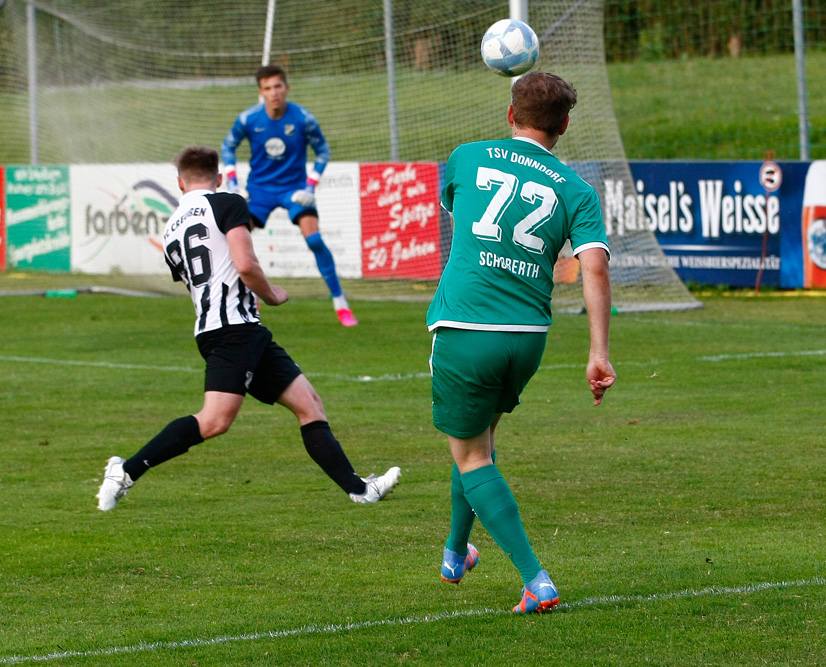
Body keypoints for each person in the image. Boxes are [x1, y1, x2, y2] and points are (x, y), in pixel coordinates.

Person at [96, 146, 400, 512]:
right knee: (214, 421)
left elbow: (193, 280)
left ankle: (360, 489)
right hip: (233, 331)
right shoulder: (228, 202)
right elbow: (244, 263)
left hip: (230, 328)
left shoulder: (172, 226)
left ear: (180, 182)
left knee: (309, 404)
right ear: (220, 177)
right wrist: (272, 294)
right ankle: (124, 472)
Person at [426, 71, 616, 614]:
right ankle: (455, 551)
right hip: (528, 337)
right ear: (566, 126)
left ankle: (536, 579)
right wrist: (598, 353)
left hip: (466, 327)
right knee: (478, 445)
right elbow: (594, 269)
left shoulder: (466, 156)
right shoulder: (576, 190)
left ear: (511, 115)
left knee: (470, 454)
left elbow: (461, 215)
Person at [221, 64, 357, 327]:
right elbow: (228, 146)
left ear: (286, 88)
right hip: (259, 190)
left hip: (294, 189)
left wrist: (309, 186)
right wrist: (234, 182)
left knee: (315, 240)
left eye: (278, 86)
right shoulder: (249, 119)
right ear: (261, 92)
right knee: (237, 243)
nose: (274, 93)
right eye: (268, 88)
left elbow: (323, 152)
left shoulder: (303, 118)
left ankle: (341, 303)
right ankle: (250, 298)